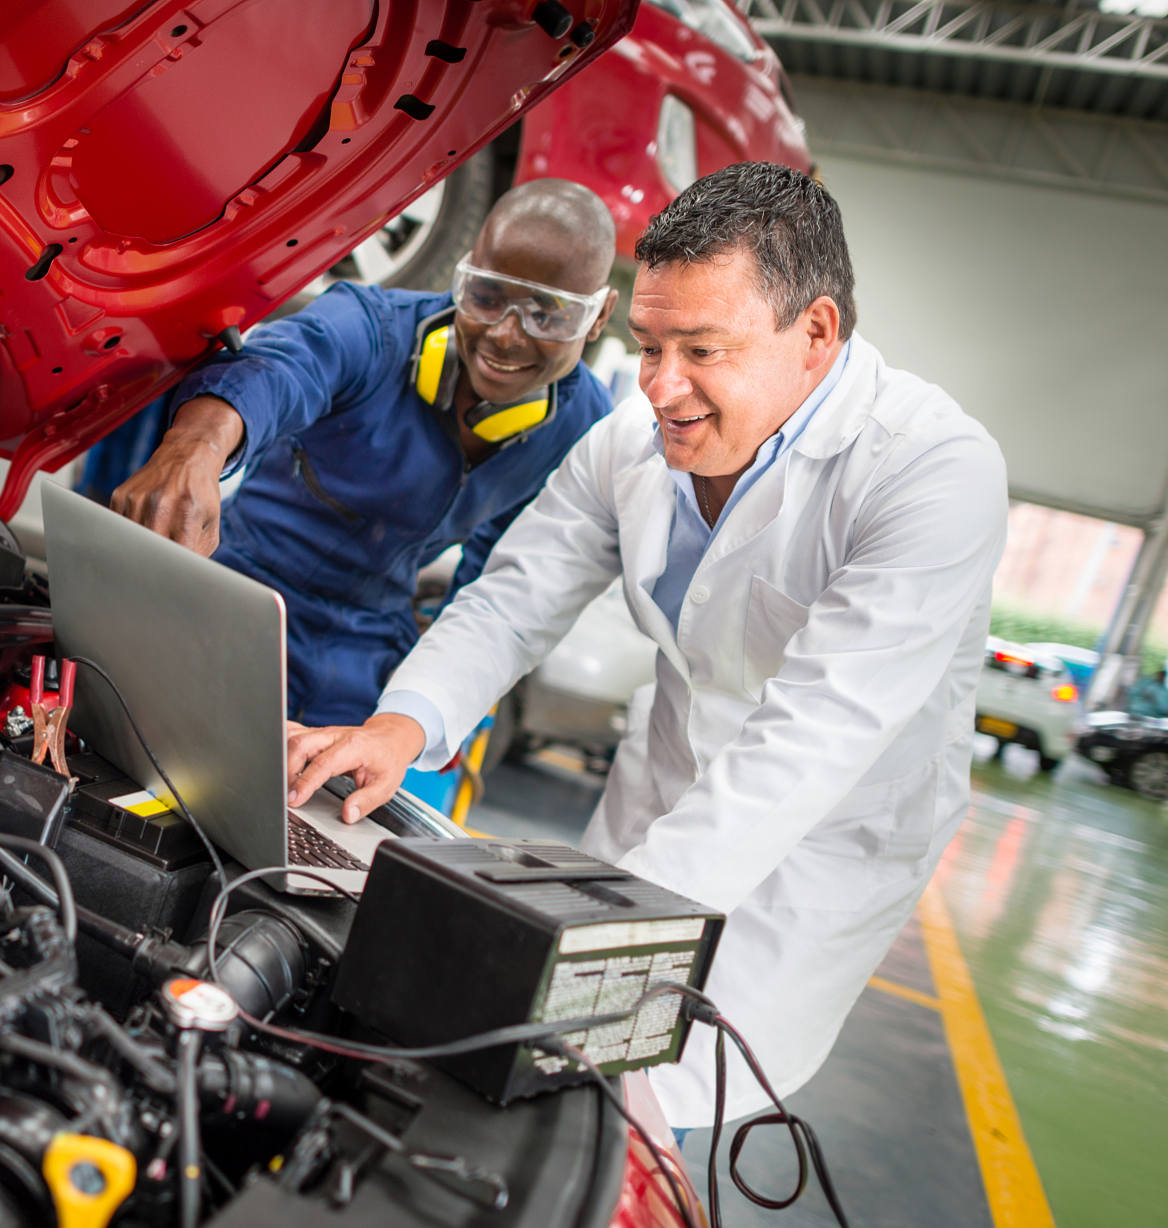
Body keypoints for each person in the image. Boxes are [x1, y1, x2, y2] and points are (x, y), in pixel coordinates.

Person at [282, 162, 1009, 1132]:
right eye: (650, 344)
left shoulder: (930, 471)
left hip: (821, 838)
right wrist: (399, 726)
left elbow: (816, 733)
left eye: (701, 350)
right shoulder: (631, 443)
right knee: (545, 1061)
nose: (661, 387)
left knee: (654, 1099)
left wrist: (604, 924)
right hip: (661, 786)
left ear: (815, 333)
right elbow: (516, 599)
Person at [109, 180, 620, 725]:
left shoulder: (583, 429)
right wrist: (196, 448)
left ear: (600, 315)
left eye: (547, 314)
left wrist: (444, 693)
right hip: (237, 593)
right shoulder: (371, 327)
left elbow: (498, 574)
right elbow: (279, 368)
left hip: (368, 649)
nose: (506, 336)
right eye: (487, 298)